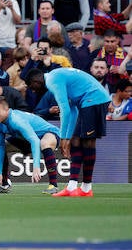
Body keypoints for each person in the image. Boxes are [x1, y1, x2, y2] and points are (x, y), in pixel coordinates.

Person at [45, 67, 112, 197]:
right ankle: (72, 186)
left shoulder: (52, 80)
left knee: (88, 143)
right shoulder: (59, 77)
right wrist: (68, 136)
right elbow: (73, 110)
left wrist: (63, 138)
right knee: (75, 141)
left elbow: (65, 110)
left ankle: (86, 188)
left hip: (94, 100)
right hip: (88, 102)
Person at [0, 95, 61, 194]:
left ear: (7, 110)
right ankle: (4, 184)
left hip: (50, 133)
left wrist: (36, 167)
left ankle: (53, 185)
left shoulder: (16, 121)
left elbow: (35, 140)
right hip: (26, 139)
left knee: (44, 143)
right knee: (2, 146)